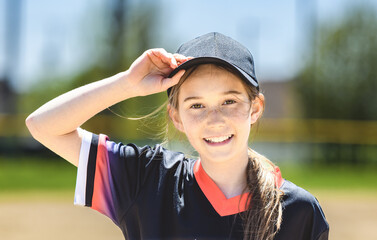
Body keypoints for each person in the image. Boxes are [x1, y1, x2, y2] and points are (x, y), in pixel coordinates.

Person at [26, 32, 329, 240]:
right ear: (176, 117)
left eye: (229, 101)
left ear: (256, 108)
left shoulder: (299, 211)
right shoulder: (147, 179)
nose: (215, 119)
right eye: (196, 105)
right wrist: (128, 84)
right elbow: (43, 126)